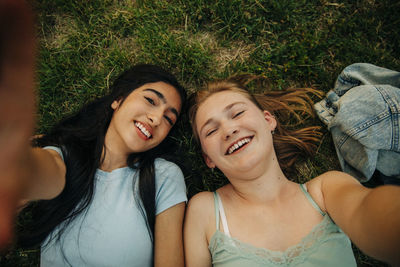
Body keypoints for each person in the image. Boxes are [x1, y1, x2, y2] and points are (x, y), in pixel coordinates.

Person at [0, 1, 187, 266]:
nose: (157, 118)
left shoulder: (163, 176)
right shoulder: (65, 155)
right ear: (118, 100)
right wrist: (16, 162)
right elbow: (42, 172)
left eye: (169, 118)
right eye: (150, 100)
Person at [184, 76, 400, 266]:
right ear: (208, 159)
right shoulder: (204, 210)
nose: (229, 130)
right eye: (211, 130)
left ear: (268, 120)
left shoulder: (326, 190)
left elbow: (367, 212)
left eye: (238, 113)